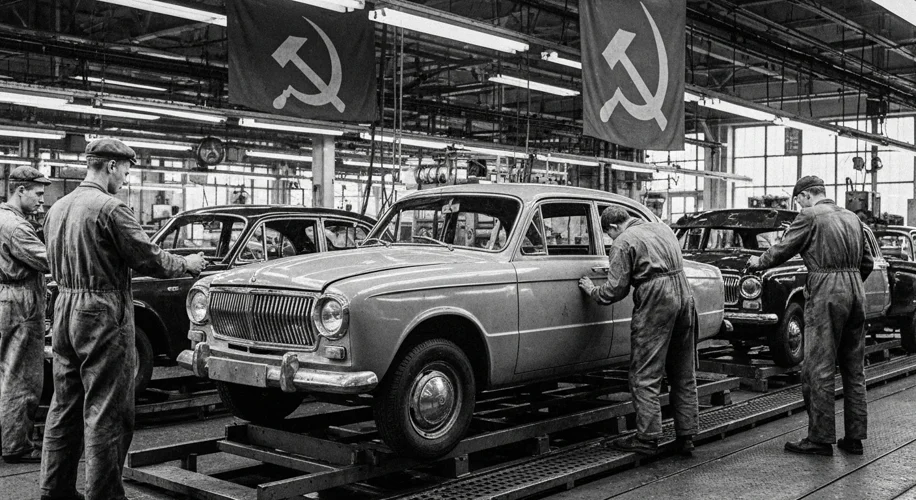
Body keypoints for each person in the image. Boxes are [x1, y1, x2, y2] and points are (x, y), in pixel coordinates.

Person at [40, 139, 206, 500]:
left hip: (65, 308)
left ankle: (55, 491)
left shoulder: (57, 208)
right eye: (126, 170)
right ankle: (104, 495)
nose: (127, 178)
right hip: (101, 312)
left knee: (64, 407)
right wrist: (187, 265)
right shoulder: (111, 209)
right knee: (107, 411)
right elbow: (149, 258)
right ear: (111, 166)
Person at [746, 175, 868, 456]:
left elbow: (783, 250)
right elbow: (867, 262)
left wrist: (758, 263)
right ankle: (854, 439)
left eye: (797, 200)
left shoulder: (810, 216)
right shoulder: (852, 218)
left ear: (803, 196)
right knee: (854, 367)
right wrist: (849, 283)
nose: (798, 204)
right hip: (855, 290)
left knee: (819, 366)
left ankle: (820, 439)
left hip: (827, 290)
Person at [578, 206, 698, 455]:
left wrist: (591, 290)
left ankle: (647, 438)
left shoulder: (624, 241)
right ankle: (686, 436)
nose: (611, 239)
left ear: (613, 227)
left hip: (657, 300)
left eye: (609, 235)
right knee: (683, 371)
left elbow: (615, 290)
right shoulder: (662, 227)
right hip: (685, 295)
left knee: (645, 373)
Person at [0, 166, 51, 464]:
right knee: (22, 377)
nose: (42, 201)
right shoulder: (16, 226)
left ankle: (7, 438)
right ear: (20, 190)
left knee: (5, 373)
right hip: (19, 301)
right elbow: (46, 260)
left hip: (6, 297)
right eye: (38, 194)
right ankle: (17, 445)